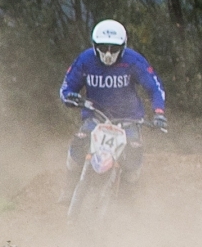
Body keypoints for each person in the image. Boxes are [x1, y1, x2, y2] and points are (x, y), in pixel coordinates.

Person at [58, 20, 166, 203]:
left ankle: (127, 199)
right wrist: (70, 97)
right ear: (94, 45)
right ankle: (70, 186)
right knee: (78, 145)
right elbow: (67, 86)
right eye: (103, 47)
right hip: (96, 116)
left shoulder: (134, 61)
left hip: (129, 120)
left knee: (133, 161)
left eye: (114, 48)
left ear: (123, 47)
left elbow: (154, 87)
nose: (108, 53)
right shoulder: (85, 60)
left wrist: (159, 113)